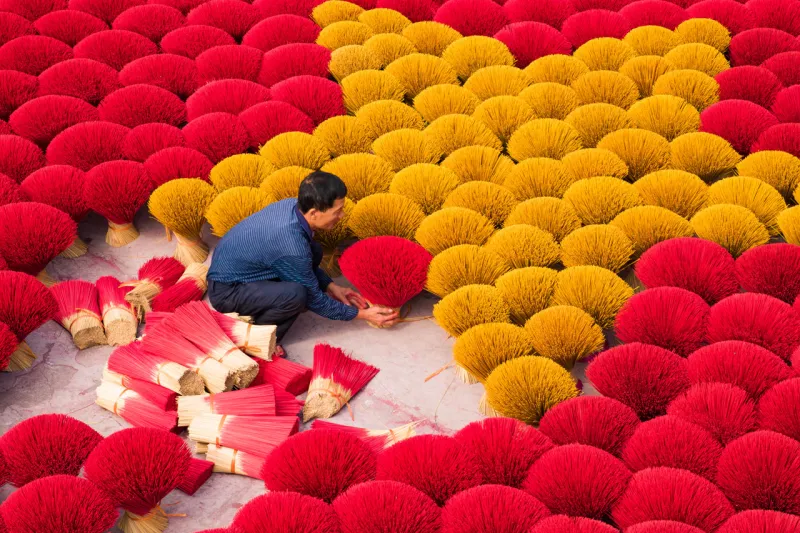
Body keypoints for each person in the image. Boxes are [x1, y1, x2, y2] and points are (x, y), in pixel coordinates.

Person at [207, 170, 399, 350]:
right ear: (314, 213)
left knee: (313, 249)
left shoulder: (293, 206)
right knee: (297, 295)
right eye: (337, 211)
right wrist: (362, 314)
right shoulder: (290, 244)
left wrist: (332, 287)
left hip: (244, 271)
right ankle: (260, 338)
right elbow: (314, 298)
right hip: (228, 291)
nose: (341, 216)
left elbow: (301, 265)